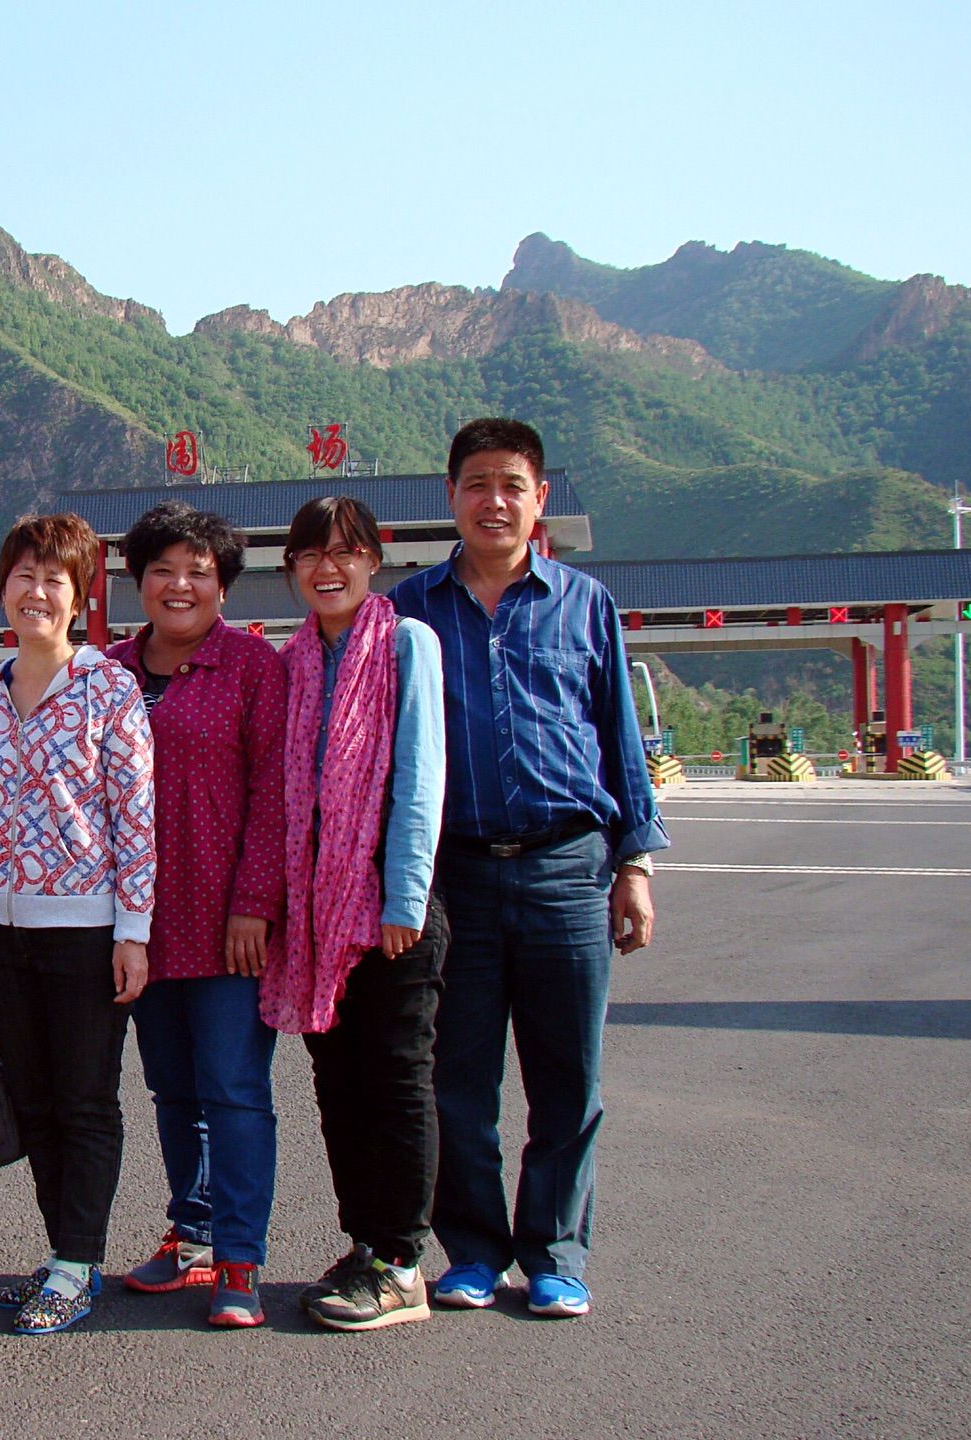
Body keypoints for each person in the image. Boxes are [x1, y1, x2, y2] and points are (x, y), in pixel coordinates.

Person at [391, 417, 668, 1319]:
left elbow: (619, 739)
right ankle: (471, 1251)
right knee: (458, 1079)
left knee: (568, 1078)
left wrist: (635, 863)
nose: (494, 500)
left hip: (567, 870)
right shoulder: (410, 611)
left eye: (512, 484)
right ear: (452, 498)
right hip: (455, 876)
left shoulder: (585, 604)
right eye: (477, 483)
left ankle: (555, 1253)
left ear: (539, 498)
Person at [0, 512, 157, 1336]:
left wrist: (133, 930)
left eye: (57, 579)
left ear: (80, 596)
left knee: (85, 1100)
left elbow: (136, 815)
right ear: (3, 586)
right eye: (25, 575)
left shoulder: (107, 686)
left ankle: (79, 1263)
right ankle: (61, 1253)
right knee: (34, 1097)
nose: (38, 592)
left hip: (84, 928)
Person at [263, 496, 447, 1332]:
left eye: (344, 551)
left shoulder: (406, 643)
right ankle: (365, 1243)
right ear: (293, 568)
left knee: (395, 1082)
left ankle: (402, 1261)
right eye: (310, 554)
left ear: (375, 559)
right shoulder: (295, 658)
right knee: (337, 1085)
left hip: (387, 912)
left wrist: (403, 898)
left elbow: (419, 779)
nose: (326, 567)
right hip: (317, 914)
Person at [104, 502, 287, 1329]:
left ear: (222, 585)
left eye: (198, 572)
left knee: (234, 1089)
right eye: (163, 570)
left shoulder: (253, 669)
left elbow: (276, 797)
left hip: (227, 928)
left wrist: (254, 905)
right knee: (172, 1091)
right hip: (137, 929)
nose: (179, 585)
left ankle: (240, 1259)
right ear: (138, 581)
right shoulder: (104, 671)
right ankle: (194, 1231)